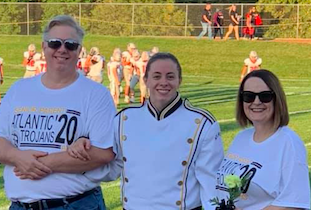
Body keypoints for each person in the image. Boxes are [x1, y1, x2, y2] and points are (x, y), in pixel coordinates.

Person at [68, 52, 225, 209]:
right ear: (146, 80)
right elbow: (113, 166)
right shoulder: (124, 119)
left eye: (170, 77)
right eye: (157, 76)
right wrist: (82, 151)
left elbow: (210, 181)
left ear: (179, 81)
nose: (163, 82)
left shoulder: (202, 123)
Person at [0, 15, 119, 210]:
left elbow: (104, 152)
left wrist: (40, 164)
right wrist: (17, 157)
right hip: (20, 206)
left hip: (75, 204)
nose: (62, 49)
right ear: (44, 47)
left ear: (79, 51)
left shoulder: (96, 94)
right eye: (55, 43)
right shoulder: (18, 90)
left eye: (70, 45)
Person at [215, 69, 310, 209]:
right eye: (248, 96)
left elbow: (293, 203)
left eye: (265, 96)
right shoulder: (240, 138)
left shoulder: (288, 142)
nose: (257, 102)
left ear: (277, 99)